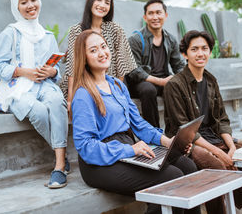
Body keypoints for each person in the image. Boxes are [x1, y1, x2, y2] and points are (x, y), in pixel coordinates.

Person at [70, 29, 200, 214]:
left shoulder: (117, 85)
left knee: (188, 166)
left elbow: (138, 124)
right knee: (173, 177)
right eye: (93, 50)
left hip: (127, 149)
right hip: (99, 163)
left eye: (103, 46)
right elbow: (86, 147)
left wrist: (168, 142)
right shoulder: (83, 94)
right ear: (84, 58)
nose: (101, 52)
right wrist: (130, 150)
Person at [163, 30, 242, 213]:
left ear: (210, 51)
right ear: (185, 54)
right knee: (218, 169)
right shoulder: (174, 85)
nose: (200, 53)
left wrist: (230, 147)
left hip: (216, 139)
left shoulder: (210, 80)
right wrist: (218, 153)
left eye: (204, 49)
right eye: (194, 49)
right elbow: (184, 130)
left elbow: (222, 118)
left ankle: (227, 196)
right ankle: (221, 202)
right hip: (189, 145)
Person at [0, 0, 69, 188]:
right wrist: (25, 72)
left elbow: (55, 68)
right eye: (23, 2)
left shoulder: (47, 35)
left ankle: (59, 166)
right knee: (40, 111)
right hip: (17, 87)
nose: (30, 5)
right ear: (16, 7)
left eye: (33, 0)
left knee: (56, 101)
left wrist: (51, 72)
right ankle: (60, 152)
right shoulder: (10, 33)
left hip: (44, 84)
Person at [60, 0, 137, 111]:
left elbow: (121, 66)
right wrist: (70, 99)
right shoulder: (76, 30)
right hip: (82, 84)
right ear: (90, 1)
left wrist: (115, 94)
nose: (102, 5)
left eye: (107, 2)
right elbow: (72, 67)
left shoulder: (116, 30)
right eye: (99, 0)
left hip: (109, 85)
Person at [126, 0, 185, 128]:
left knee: (177, 87)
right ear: (145, 17)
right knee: (148, 90)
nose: (155, 17)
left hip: (163, 80)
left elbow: (178, 65)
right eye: (151, 13)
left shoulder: (170, 39)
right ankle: (154, 135)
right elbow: (133, 70)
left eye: (159, 13)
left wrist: (184, 79)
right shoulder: (135, 39)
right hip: (140, 83)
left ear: (166, 15)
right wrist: (160, 81)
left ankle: (176, 131)